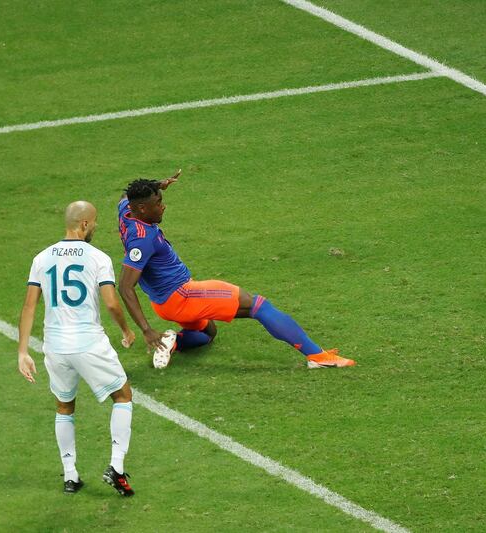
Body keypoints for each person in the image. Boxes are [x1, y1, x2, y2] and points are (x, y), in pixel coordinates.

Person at [116, 170, 355, 369]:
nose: (163, 207)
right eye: (158, 203)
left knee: (208, 333)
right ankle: (318, 357)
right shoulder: (142, 239)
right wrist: (146, 330)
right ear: (143, 209)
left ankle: (172, 341)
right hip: (181, 296)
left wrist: (157, 185)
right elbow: (126, 286)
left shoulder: (126, 210)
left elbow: (128, 194)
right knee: (257, 305)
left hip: (163, 304)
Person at [18, 201, 138, 496]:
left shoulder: (41, 258)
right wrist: (125, 329)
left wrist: (23, 351)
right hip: (88, 342)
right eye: (94, 222)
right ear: (84, 224)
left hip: (55, 345)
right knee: (122, 395)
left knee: (64, 406)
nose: (96, 226)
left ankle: (70, 476)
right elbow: (111, 302)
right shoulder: (98, 258)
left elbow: (29, 306)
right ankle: (117, 467)